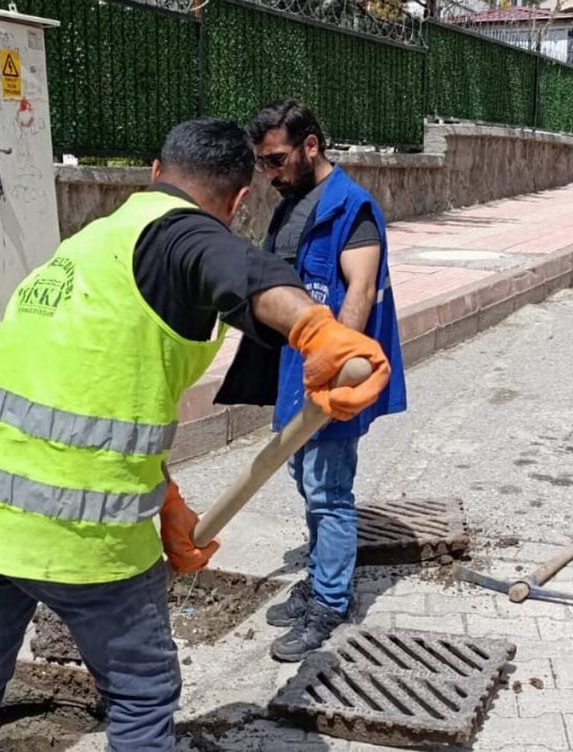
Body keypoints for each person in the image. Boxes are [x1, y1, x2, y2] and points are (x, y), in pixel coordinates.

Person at [0, 116, 392, 751]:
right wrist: (315, 328)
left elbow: (89, 398)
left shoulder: (88, 245)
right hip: (79, 536)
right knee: (141, 695)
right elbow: (244, 271)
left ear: (153, 173)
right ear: (240, 200)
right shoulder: (187, 235)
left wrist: (163, 498)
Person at [217, 100, 408, 663]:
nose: (269, 173)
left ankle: (330, 600)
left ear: (311, 146)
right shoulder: (293, 202)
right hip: (298, 373)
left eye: (276, 159)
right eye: (263, 163)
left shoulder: (352, 207)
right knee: (307, 479)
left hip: (332, 379)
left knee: (329, 491)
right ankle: (324, 577)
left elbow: (360, 288)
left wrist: (332, 372)